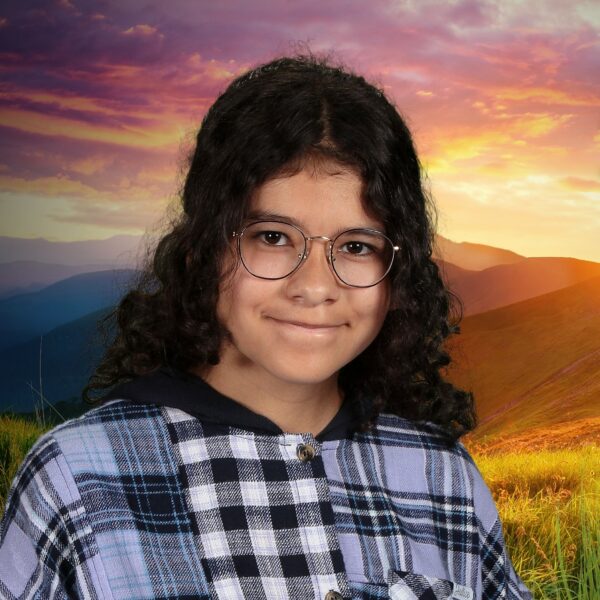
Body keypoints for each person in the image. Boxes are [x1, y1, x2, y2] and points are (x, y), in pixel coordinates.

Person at [0, 55, 531, 599]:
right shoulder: (78, 478)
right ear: (204, 249)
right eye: (273, 237)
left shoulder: (442, 477)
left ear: (398, 274)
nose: (315, 286)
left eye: (356, 247)